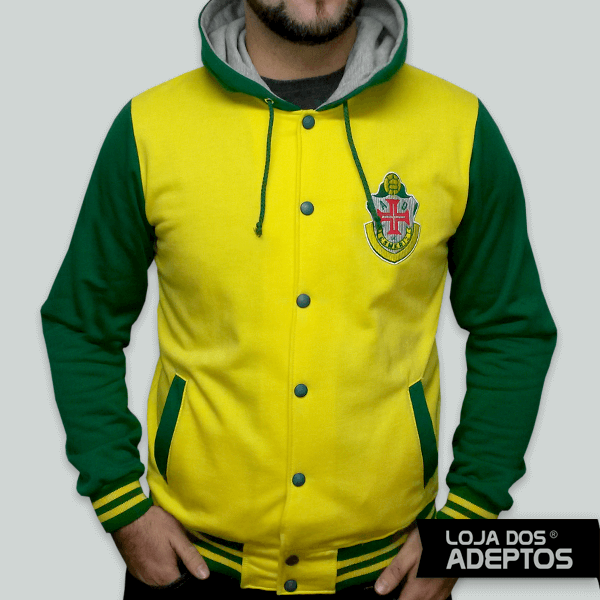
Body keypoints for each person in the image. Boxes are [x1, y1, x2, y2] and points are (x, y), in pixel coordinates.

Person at [40, 0, 557, 598]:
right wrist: (119, 503)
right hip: (191, 570)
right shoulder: (148, 128)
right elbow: (82, 323)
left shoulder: (459, 128)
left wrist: (465, 528)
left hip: (389, 577)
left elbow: (512, 330)